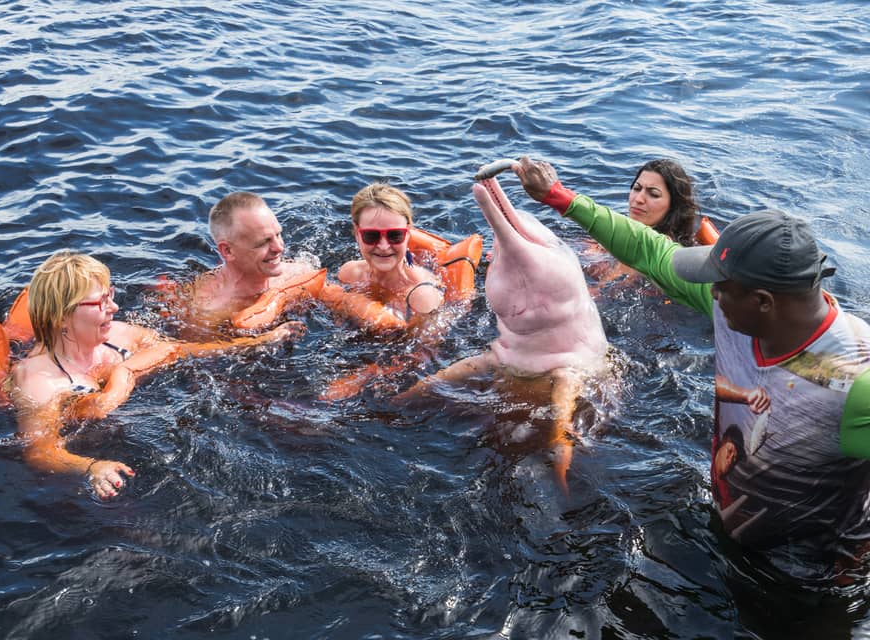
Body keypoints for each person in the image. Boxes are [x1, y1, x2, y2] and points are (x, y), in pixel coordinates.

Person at [512, 155, 870, 582]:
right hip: (728, 526)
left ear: (763, 301)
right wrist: (556, 196)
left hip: (810, 574)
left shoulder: (855, 381)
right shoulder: (732, 306)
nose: (710, 293)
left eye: (720, 284)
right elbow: (649, 250)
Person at [9, 251, 303, 499]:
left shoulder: (120, 337)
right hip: (95, 449)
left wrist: (257, 343)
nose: (114, 307)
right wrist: (90, 467)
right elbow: (40, 451)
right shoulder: (40, 381)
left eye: (110, 294)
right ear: (62, 316)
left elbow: (179, 349)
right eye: (101, 302)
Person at [188, 191, 317, 330]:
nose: (279, 248)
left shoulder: (298, 272)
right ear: (228, 251)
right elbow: (193, 348)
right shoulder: (210, 308)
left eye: (278, 234)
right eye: (263, 242)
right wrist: (263, 340)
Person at [328, 182, 444, 323]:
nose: (383, 246)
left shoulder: (422, 296)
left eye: (395, 235)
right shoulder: (350, 273)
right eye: (371, 236)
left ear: (408, 234)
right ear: (357, 234)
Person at [586, 158, 699, 289]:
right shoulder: (625, 232)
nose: (638, 199)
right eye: (636, 188)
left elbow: (600, 292)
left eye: (654, 194)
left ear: (674, 206)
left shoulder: (655, 250)